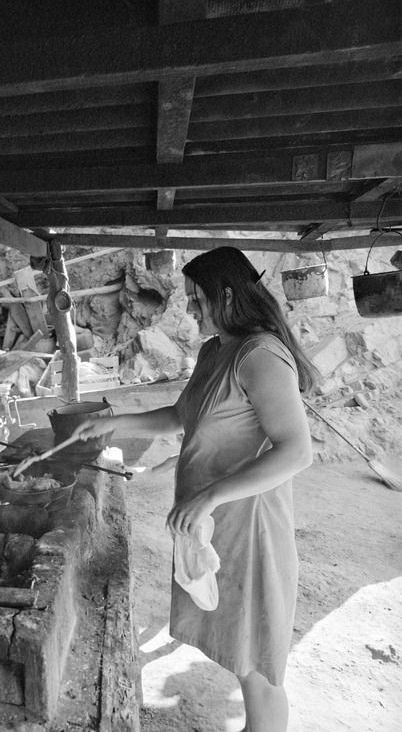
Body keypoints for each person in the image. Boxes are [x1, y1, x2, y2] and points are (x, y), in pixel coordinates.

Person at [71, 246, 318, 732]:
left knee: (257, 661)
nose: (189, 309)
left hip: (250, 528)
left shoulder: (261, 355)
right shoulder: (215, 350)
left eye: (195, 299)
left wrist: (208, 496)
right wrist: (111, 423)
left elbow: (296, 451)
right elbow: (179, 417)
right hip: (215, 526)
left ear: (225, 295)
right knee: (239, 644)